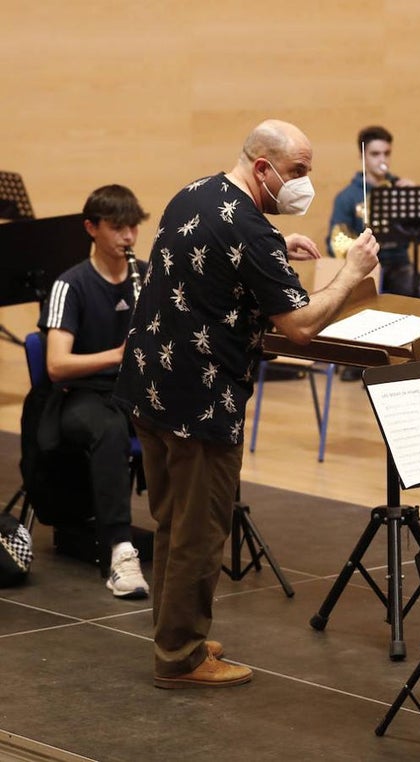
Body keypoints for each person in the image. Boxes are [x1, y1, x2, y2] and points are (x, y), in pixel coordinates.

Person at [113, 119, 380, 689]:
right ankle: (180, 658)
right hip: (199, 401)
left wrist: (274, 248)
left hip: (150, 385)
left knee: (171, 521)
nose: (304, 186)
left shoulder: (197, 193)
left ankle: (173, 632)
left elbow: (209, 252)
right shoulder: (252, 234)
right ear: (263, 168)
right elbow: (302, 327)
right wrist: (353, 272)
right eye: (298, 173)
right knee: (201, 531)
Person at [37, 185, 150, 599]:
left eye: (133, 227)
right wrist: (117, 354)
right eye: (118, 228)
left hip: (130, 391)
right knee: (110, 431)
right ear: (91, 227)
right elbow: (56, 364)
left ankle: (183, 541)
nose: (128, 238)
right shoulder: (72, 285)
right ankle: (121, 551)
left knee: (184, 421)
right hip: (80, 396)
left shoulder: (147, 274)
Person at [327, 125, 420, 300]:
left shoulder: (400, 188)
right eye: (375, 154)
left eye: (386, 153)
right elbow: (335, 243)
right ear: (362, 156)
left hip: (398, 264)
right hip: (364, 266)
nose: (382, 160)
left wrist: (416, 199)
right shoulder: (347, 197)